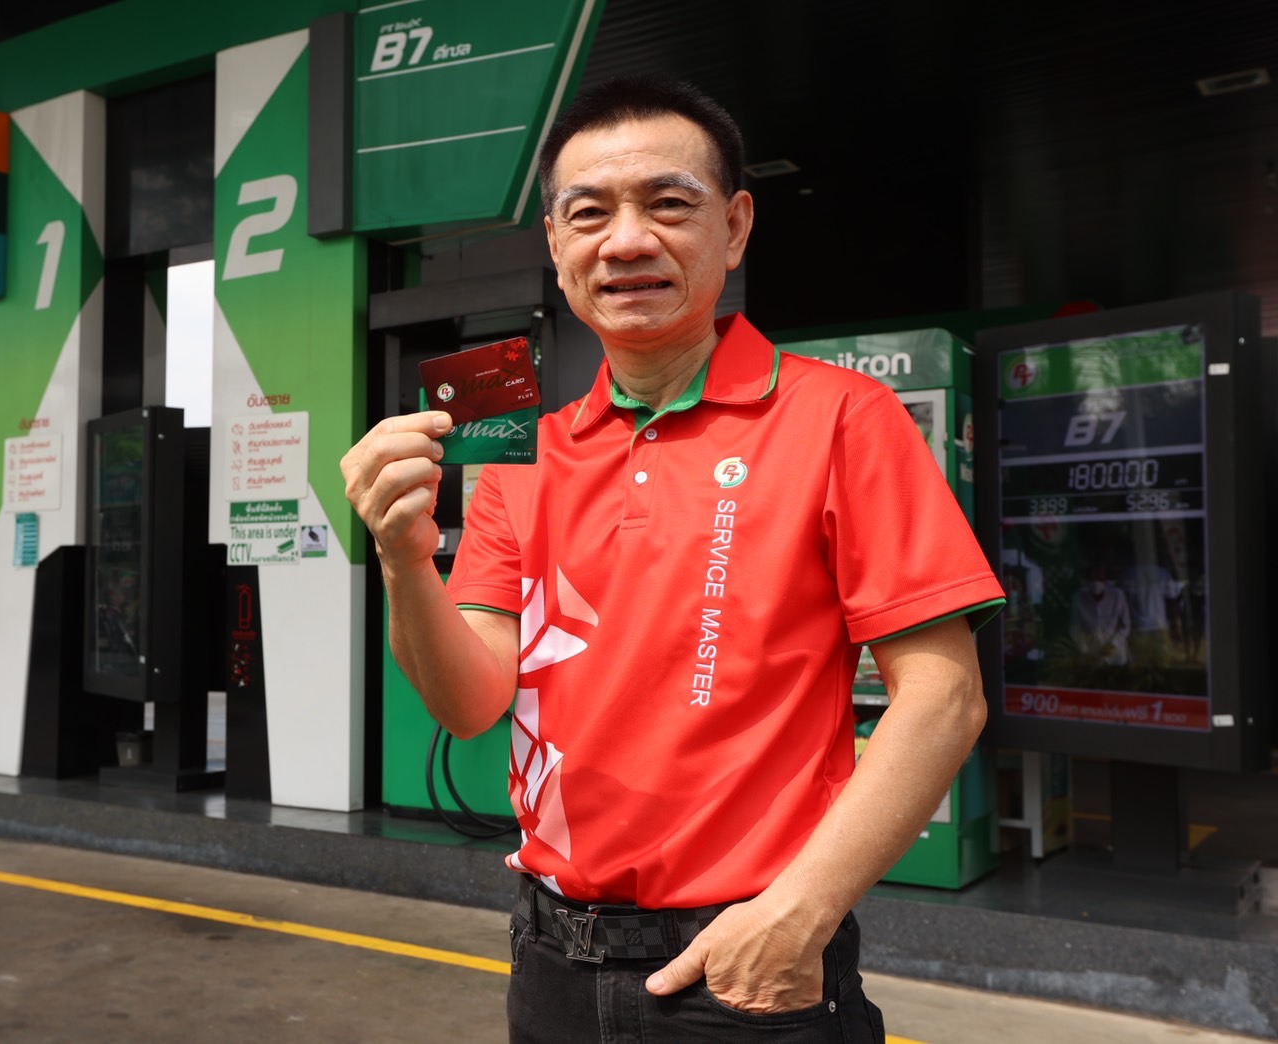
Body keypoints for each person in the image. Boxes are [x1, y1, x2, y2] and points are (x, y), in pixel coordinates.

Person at [341, 76, 1005, 1042]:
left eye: (667, 204)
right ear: (556, 246)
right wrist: (404, 562)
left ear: (734, 228)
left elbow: (945, 697)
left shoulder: (840, 417)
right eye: (589, 214)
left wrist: (798, 916)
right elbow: (470, 702)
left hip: (746, 970)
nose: (626, 241)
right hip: (548, 958)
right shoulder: (523, 458)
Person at [1069, 564, 1131, 667]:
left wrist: (1114, 643)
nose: (1096, 582)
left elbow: (1126, 625)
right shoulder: (1078, 598)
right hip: (1091, 652)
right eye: (1093, 578)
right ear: (1087, 580)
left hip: (1115, 653)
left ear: (1105, 579)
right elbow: (1074, 627)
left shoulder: (1117, 595)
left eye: (1099, 578)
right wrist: (1084, 650)